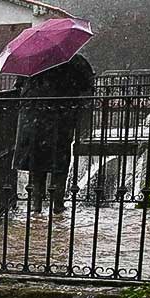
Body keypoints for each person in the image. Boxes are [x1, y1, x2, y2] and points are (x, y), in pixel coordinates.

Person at [12, 53, 95, 214]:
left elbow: (19, 86)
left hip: (35, 116)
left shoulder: (31, 61)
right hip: (61, 117)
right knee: (60, 160)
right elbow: (87, 86)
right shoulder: (73, 60)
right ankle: (57, 204)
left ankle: (36, 204)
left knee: (37, 162)